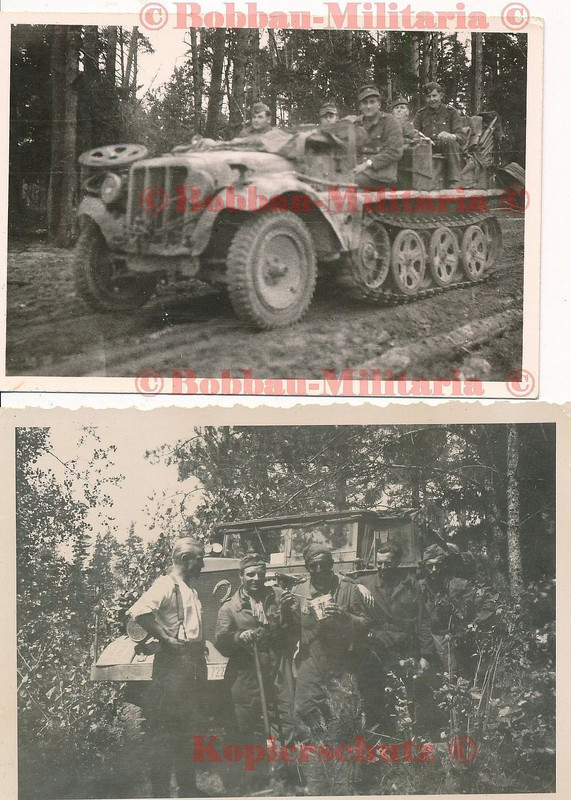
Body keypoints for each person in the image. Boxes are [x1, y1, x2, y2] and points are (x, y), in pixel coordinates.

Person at [280, 543, 368, 795]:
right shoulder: (299, 590)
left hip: (341, 664)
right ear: (307, 567)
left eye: (324, 565)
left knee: (345, 720)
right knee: (304, 716)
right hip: (311, 662)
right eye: (313, 566)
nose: (318, 570)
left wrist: (343, 615)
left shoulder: (348, 589)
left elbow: (365, 624)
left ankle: (345, 782)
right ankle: (316, 780)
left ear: (332, 565)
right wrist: (286, 613)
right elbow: (291, 631)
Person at [127, 538, 208, 798]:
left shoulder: (189, 588)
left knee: (187, 728)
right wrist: (166, 638)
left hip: (192, 662)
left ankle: (187, 789)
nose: (203, 564)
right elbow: (140, 612)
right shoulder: (165, 584)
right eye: (199, 558)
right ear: (185, 560)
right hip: (174, 666)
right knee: (165, 730)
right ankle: (160, 793)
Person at [215, 553, 297, 792]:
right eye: (250, 574)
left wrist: (290, 612)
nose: (256, 579)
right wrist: (239, 637)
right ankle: (245, 781)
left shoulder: (279, 597)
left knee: (284, 721)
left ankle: (284, 779)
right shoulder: (229, 607)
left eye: (260, 574)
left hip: (277, 667)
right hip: (246, 672)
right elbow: (221, 642)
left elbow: (292, 630)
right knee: (243, 725)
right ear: (241, 576)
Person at [356, 540, 432, 735]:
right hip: (378, 650)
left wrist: (426, 654)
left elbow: (422, 620)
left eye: (387, 564)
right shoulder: (366, 583)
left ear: (397, 562)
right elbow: (342, 580)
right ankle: (381, 737)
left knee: (408, 697)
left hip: (406, 648)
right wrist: (359, 588)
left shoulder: (410, 584)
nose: (382, 568)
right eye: (379, 563)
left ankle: (409, 738)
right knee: (376, 695)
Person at [413, 81, 465, 188]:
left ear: (441, 95)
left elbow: (462, 136)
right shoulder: (420, 114)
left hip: (446, 146)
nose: (432, 99)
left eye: (434, 96)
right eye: (428, 97)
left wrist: (451, 136)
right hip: (427, 147)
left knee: (450, 141)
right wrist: (421, 139)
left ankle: (454, 181)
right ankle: (418, 182)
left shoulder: (451, 112)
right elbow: (413, 133)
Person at [352, 83, 404, 189]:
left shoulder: (390, 122)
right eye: (364, 103)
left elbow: (394, 151)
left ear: (379, 104)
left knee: (349, 181)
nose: (368, 106)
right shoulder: (357, 123)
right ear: (360, 106)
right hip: (359, 170)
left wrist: (367, 164)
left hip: (381, 175)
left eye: (372, 102)